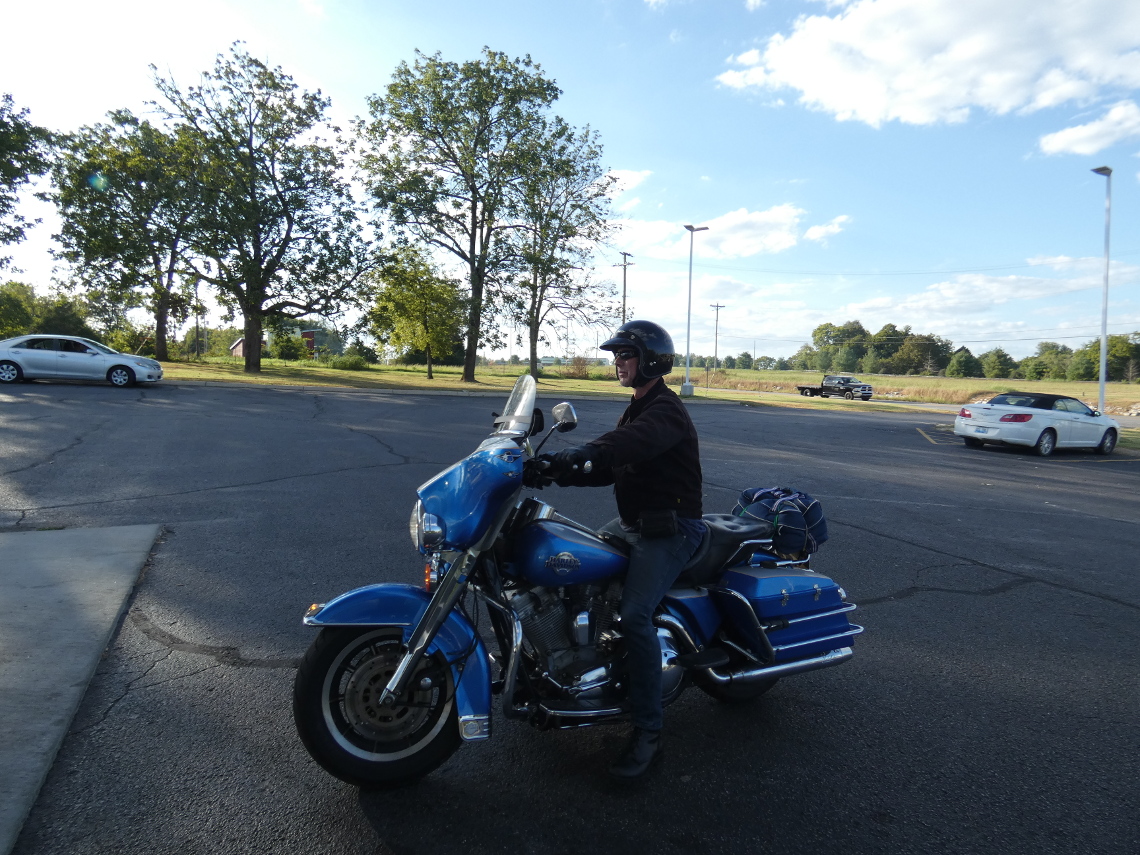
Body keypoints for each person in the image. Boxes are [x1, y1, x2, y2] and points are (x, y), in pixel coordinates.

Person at [535, 320, 705, 779]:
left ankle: (649, 731)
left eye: (626, 354)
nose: (618, 362)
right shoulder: (636, 408)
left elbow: (628, 444)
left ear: (650, 360)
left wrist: (583, 451)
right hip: (635, 524)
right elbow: (613, 466)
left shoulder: (665, 411)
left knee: (634, 616)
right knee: (572, 566)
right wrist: (555, 471)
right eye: (616, 356)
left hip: (672, 529)